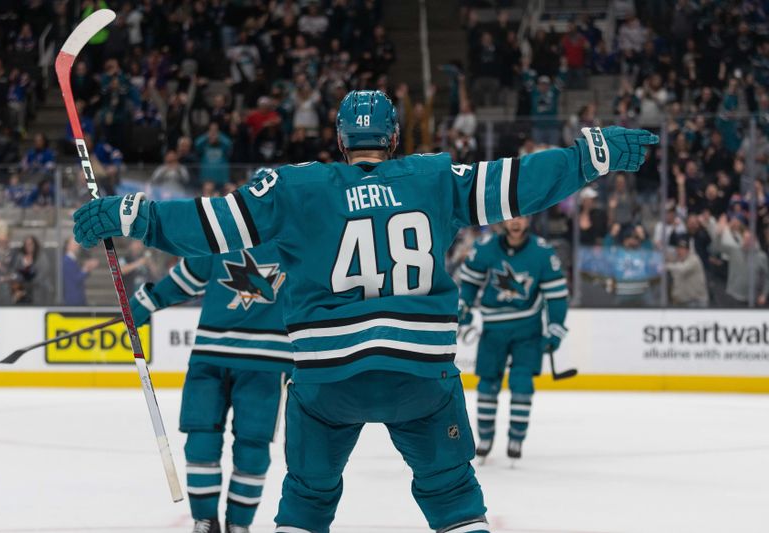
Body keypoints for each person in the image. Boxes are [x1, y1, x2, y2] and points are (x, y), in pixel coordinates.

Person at [73, 90, 658, 533]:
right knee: (454, 495)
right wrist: (589, 159)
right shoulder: (433, 177)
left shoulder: (296, 186)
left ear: (340, 141)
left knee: (305, 499)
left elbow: (212, 227)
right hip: (420, 377)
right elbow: (518, 183)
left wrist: (137, 217)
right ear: (395, 137)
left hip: (327, 383)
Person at [127, 174, 292, 533]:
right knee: (207, 441)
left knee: (248, 447)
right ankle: (211, 521)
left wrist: (145, 302)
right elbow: (188, 275)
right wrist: (145, 302)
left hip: (258, 362)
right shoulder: (240, 238)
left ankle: (232, 524)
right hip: (222, 358)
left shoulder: (291, 240)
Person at [457, 217, 568, 460]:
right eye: (511, 217)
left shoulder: (542, 252)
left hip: (527, 330)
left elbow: (557, 296)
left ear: (530, 219)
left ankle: (516, 438)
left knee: (522, 383)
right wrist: (463, 307)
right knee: (487, 383)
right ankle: (485, 437)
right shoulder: (485, 247)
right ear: (502, 221)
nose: (516, 222)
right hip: (493, 330)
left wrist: (556, 327)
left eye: (523, 216)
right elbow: (469, 284)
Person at [666, 237, 708, 307]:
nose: (680, 251)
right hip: (682, 301)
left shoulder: (694, 259)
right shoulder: (676, 261)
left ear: (688, 250)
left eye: (683, 249)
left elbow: (683, 268)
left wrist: (666, 266)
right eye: (678, 249)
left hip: (696, 301)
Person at [62, 238, 98, 306]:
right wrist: (86, 268)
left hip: (77, 296)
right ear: (68, 246)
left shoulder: (72, 259)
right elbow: (76, 279)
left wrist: (87, 268)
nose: (77, 246)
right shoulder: (67, 260)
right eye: (74, 244)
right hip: (73, 298)